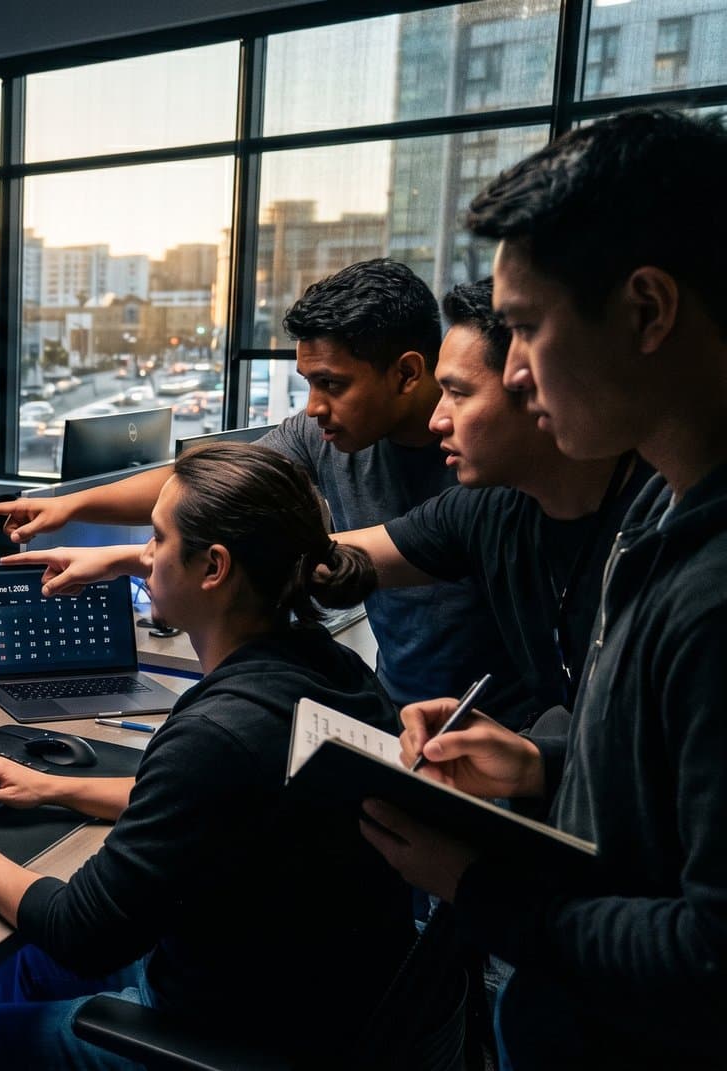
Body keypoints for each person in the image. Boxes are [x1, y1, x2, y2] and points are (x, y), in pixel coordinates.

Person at [359, 109, 727, 1069]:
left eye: (524, 329)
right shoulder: (663, 517)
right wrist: (543, 766)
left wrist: (476, 886)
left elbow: (713, 957)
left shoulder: (716, 589)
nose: (515, 373)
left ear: (647, 311)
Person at [0, 443, 423, 1070]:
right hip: (312, 994)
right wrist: (49, 787)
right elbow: (221, 805)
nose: (141, 556)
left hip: (230, 1034)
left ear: (214, 567)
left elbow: (80, 931)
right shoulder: (333, 669)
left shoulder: (218, 733)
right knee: (12, 960)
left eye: (157, 539)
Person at [0, 259, 511, 712]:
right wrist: (69, 504)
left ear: (407, 373)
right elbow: (204, 484)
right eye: (308, 383)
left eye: (332, 384)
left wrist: (131, 559)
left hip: (497, 726)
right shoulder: (325, 434)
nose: (314, 406)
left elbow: (281, 554)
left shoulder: (485, 467)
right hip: (400, 703)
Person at [328, 279, 651, 727]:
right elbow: (342, 557)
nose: (438, 419)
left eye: (458, 394)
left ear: (536, 385)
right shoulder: (486, 510)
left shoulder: (658, 526)